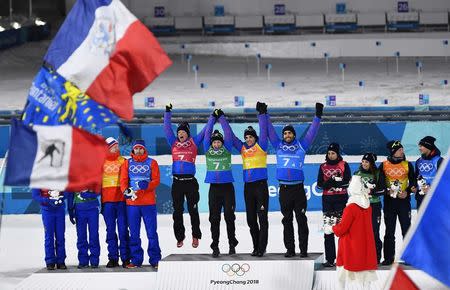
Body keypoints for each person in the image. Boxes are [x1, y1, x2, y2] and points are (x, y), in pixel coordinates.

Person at [266, 102, 323, 258]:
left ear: (294, 135)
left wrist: (318, 116)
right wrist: (264, 115)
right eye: (285, 134)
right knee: (287, 220)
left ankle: (303, 250)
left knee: (301, 220)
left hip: (298, 189)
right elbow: (270, 131)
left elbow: (312, 132)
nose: (287, 136)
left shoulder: (302, 146)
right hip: (284, 189)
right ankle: (290, 250)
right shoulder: (277, 145)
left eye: (290, 133)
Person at [219, 103, 269, 257]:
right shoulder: (242, 149)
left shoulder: (262, 146)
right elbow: (230, 135)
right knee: (251, 220)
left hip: (260, 187)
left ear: (255, 138)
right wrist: (221, 118)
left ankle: (261, 248)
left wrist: (261, 114)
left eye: (250, 137)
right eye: (246, 137)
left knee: (262, 218)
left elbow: (264, 130)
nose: (248, 139)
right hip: (248, 188)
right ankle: (256, 247)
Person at [164, 104, 207, 248]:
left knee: (193, 210)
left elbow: (206, 130)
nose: (180, 134)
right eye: (179, 132)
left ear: (188, 134)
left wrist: (213, 117)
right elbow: (167, 128)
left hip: (190, 183)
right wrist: (167, 113)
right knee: (177, 212)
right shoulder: (173, 142)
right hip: (177, 183)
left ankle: (196, 236)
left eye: (183, 132)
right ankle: (180, 237)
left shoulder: (194, 143)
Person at [324, 175, 378, 289]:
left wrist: (331, 228)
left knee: (340, 276)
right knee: (365, 277)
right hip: (365, 247)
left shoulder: (350, 208)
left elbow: (342, 228)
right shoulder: (368, 206)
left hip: (350, 247)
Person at [119, 139, 161, 269]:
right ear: (133, 150)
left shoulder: (152, 162)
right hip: (132, 204)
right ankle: (136, 260)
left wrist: (148, 185)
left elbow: (157, 180)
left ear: (144, 149)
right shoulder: (127, 163)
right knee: (134, 233)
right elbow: (123, 181)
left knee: (151, 233)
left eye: (140, 148)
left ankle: (155, 260)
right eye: (136, 148)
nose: (138, 150)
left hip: (148, 203)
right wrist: (125, 191)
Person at [203, 110, 238, 257]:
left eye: (218, 141)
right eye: (214, 142)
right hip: (214, 189)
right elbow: (207, 134)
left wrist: (222, 118)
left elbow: (228, 134)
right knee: (214, 218)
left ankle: (232, 244)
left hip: (227, 187)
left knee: (229, 216)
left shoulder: (227, 149)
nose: (216, 144)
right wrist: (212, 118)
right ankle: (215, 246)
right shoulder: (207, 149)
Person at [379, 140, 415, 266]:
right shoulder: (383, 165)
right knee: (389, 230)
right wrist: (388, 192)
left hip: (404, 202)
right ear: (394, 152)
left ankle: (410, 257)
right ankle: (389, 258)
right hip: (389, 202)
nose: (402, 151)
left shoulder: (408, 164)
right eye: (400, 149)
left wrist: (407, 192)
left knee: (406, 229)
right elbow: (381, 184)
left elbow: (414, 183)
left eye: (402, 149)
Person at [317, 142, 351, 267]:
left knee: (343, 230)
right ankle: (330, 259)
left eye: (333, 153)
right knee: (328, 230)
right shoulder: (322, 166)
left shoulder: (344, 165)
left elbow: (347, 183)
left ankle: (345, 258)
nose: (331, 155)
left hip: (341, 200)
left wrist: (331, 184)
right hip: (327, 201)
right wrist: (332, 181)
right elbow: (320, 185)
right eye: (329, 153)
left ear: (338, 154)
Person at [101, 137, 130, 268]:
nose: (116, 148)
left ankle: (125, 258)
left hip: (122, 202)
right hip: (107, 202)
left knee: (124, 230)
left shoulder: (124, 161)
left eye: (117, 146)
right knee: (110, 231)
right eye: (113, 146)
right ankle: (113, 258)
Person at [352, 153, 385, 264]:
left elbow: (383, 190)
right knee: (360, 233)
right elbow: (352, 190)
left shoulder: (378, 173)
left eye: (367, 162)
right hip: (360, 207)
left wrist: (371, 191)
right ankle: (361, 257)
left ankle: (376, 258)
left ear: (371, 163)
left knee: (374, 232)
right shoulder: (357, 173)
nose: (364, 163)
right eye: (363, 161)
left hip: (374, 206)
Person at [31, 188, 67, 270]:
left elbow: (67, 191)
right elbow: (35, 195)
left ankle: (61, 261)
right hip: (47, 211)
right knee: (49, 237)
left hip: (59, 210)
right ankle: (50, 261)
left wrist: (62, 197)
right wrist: (47, 200)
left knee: (60, 236)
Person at [67, 190, 101, 268]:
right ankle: (83, 261)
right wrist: (70, 210)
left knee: (94, 235)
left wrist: (89, 195)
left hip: (92, 209)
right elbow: (70, 193)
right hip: (79, 209)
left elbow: (99, 190)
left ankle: (94, 261)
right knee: (81, 236)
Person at [413, 136, 443, 209]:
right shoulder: (418, 161)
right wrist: (414, 187)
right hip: (421, 198)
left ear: (428, 146)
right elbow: (416, 177)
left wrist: (432, 188)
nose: (419, 148)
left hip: (435, 198)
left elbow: (445, 180)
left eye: (421, 146)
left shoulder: (439, 161)